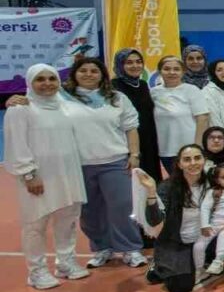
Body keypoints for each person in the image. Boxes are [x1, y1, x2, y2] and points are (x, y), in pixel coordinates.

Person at [4, 64, 89, 289]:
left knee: (67, 220)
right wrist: (29, 174)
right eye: (40, 79)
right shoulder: (20, 109)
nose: (47, 83)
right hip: (38, 177)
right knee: (35, 224)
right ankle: (37, 271)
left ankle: (65, 262)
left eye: (52, 78)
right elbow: (16, 144)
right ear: (29, 83)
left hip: (68, 173)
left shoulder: (64, 106)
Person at [59, 57, 148, 268]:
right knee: (90, 211)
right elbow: (36, 101)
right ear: (74, 74)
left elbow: (131, 127)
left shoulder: (117, 98)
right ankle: (101, 248)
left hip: (115, 162)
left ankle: (130, 249)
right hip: (79, 165)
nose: (89, 74)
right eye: (83, 70)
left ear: (102, 75)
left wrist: (134, 155)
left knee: (123, 206)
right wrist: (16, 100)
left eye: (94, 71)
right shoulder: (61, 98)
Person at [140, 145, 224, 292]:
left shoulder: (213, 182)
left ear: (204, 160)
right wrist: (151, 193)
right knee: (181, 287)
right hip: (176, 242)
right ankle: (159, 267)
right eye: (187, 159)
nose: (193, 163)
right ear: (179, 164)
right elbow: (153, 221)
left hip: (204, 236)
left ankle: (195, 262)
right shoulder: (167, 187)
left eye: (197, 158)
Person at [150, 55, 210, 173]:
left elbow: (202, 118)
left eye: (176, 69)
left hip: (189, 150)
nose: (172, 72)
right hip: (165, 150)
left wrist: (197, 147)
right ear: (160, 71)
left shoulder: (191, 90)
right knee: (175, 183)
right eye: (167, 69)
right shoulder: (154, 92)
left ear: (183, 71)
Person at [111, 48, 162, 181]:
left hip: (149, 142)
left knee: (151, 181)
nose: (135, 66)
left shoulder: (143, 85)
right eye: (129, 62)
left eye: (138, 62)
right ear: (120, 65)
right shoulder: (113, 87)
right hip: (128, 143)